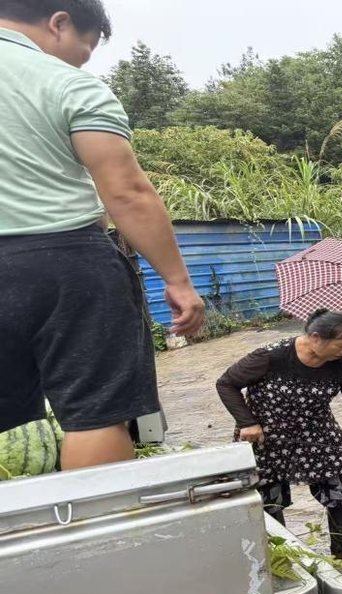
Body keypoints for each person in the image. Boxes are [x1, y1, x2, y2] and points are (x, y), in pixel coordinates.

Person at [0, 0, 205, 471]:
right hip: (64, 261)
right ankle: (94, 521)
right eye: (85, 48)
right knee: (96, 414)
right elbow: (127, 191)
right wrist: (177, 281)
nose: (80, 61)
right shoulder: (66, 83)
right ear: (60, 22)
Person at [216, 309, 342, 566]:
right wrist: (248, 423)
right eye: (341, 344)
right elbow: (226, 383)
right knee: (268, 493)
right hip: (267, 435)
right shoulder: (271, 356)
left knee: (340, 477)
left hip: (316, 431)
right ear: (315, 338)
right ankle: (278, 551)